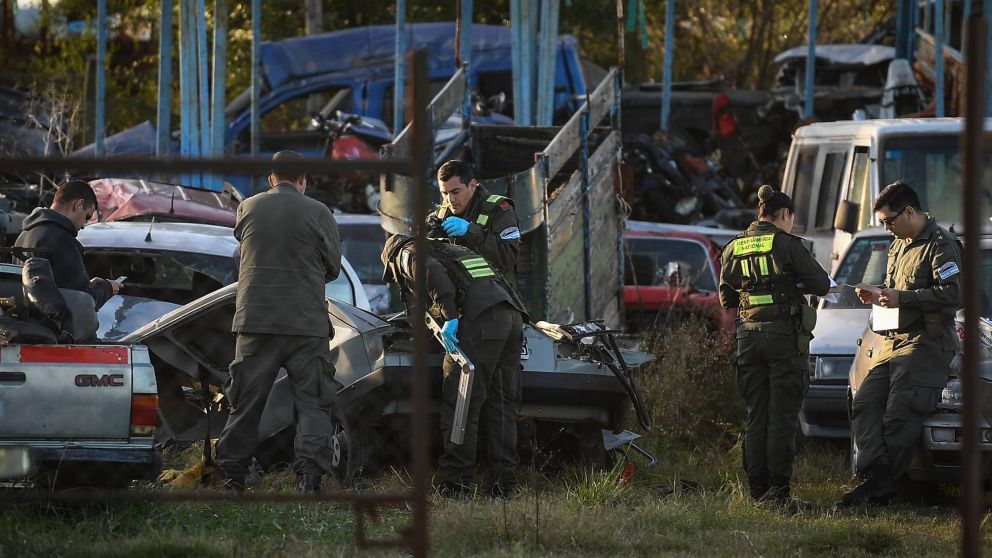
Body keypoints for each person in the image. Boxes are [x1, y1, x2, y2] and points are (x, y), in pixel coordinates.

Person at [215, 150, 342, 495]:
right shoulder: (319, 212)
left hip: (256, 320)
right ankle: (310, 479)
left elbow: (243, 256)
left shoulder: (248, 208)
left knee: (245, 401)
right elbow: (332, 266)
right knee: (313, 402)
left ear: (271, 178)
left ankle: (233, 478)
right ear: (304, 180)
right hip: (305, 323)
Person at [839, 180, 962, 507]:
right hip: (894, 342)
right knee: (864, 403)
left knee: (899, 416)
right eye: (883, 222)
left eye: (889, 220)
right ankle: (877, 481)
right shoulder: (898, 245)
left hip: (927, 344)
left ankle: (874, 493)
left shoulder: (940, 244)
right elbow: (893, 289)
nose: (887, 227)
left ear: (909, 211)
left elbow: (953, 294)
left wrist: (901, 297)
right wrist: (877, 293)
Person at [381, 234, 527, 498]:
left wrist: (449, 316)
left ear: (390, 260)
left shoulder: (407, 254)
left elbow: (432, 273)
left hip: (481, 322)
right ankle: (503, 486)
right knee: (502, 406)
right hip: (512, 317)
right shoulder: (451, 249)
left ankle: (456, 485)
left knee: (462, 404)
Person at [719, 184, 831, 505]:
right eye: (790, 219)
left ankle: (757, 492)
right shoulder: (787, 244)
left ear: (759, 212)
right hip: (783, 339)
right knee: (782, 416)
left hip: (748, 338)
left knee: (757, 414)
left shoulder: (733, 246)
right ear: (784, 214)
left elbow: (727, 298)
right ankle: (779, 494)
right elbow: (821, 284)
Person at [14, 180, 120, 309]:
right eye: (87, 216)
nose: (83, 226)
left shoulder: (24, 235)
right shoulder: (62, 241)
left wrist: (89, 285)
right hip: (53, 326)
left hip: (23, 322)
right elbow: (82, 301)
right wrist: (107, 288)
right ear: (78, 205)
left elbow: (50, 287)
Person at [432, 159, 521, 287]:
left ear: (473, 185)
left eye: (456, 192)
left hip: (496, 296)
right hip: (456, 296)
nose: (450, 200)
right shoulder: (441, 214)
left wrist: (471, 232)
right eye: (444, 193)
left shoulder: (500, 211)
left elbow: (507, 259)